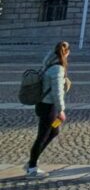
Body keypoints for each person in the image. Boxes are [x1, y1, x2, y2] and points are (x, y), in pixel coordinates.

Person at [26, 41, 70, 177]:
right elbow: (57, 92)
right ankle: (32, 167)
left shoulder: (49, 62)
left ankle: (32, 161)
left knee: (54, 131)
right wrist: (61, 110)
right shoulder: (57, 68)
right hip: (49, 107)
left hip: (44, 104)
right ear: (66, 52)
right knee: (42, 136)